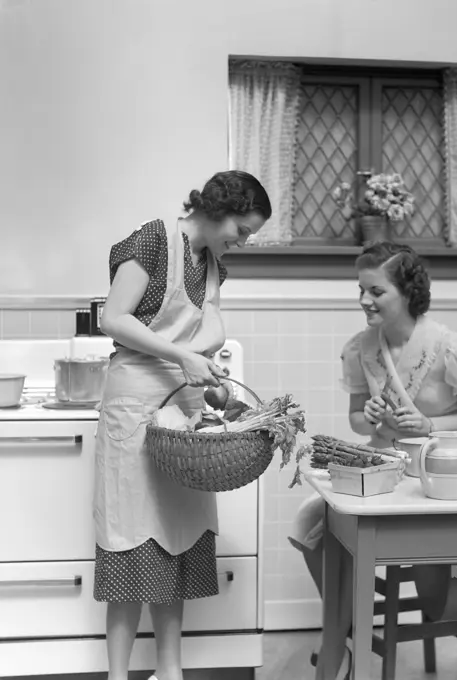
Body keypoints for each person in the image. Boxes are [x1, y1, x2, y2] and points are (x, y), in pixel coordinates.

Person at [92, 170, 271, 680]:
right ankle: (118, 676)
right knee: (130, 543)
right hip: (134, 406)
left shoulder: (213, 265)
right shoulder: (151, 240)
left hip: (181, 412)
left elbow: (199, 345)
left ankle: (169, 670)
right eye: (242, 228)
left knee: (176, 538)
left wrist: (210, 381)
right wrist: (180, 357)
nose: (243, 240)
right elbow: (114, 317)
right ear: (218, 209)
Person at [289, 241, 457, 676]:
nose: (364, 300)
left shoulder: (449, 346)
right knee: (310, 521)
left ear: (407, 292)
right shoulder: (359, 348)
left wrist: (428, 425)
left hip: (436, 468)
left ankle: (339, 641)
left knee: (355, 526)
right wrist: (368, 418)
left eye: (376, 291)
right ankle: (344, 627)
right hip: (381, 462)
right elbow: (358, 425)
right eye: (360, 290)